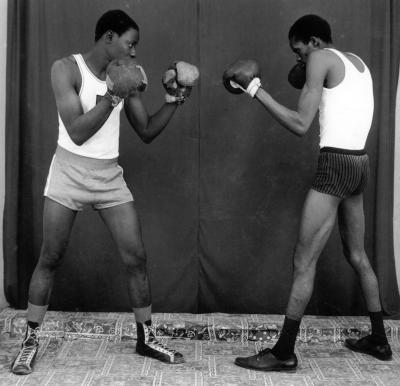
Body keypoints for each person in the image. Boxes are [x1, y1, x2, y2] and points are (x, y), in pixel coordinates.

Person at [11, 9, 198, 375]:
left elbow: (145, 130)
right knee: (50, 257)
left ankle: (146, 336)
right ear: (109, 37)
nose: (133, 53)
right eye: (130, 44)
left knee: (136, 257)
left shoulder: (124, 76)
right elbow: (78, 131)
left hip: (109, 176)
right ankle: (30, 339)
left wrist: (175, 101)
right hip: (68, 173)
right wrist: (112, 96)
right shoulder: (65, 69)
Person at [223, 14, 392, 372]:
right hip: (359, 163)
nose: (300, 60)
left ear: (314, 42)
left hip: (334, 165)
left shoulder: (320, 58)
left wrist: (254, 89)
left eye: (299, 51)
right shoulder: (358, 63)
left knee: (303, 261)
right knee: (357, 254)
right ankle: (379, 339)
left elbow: (301, 124)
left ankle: (284, 352)